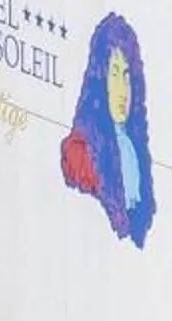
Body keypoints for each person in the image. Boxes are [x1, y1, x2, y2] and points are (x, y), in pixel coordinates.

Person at [59, 12, 155, 247]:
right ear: (100, 78)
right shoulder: (79, 150)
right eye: (114, 74)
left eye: (126, 76)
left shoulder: (135, 150)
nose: (122, 89)